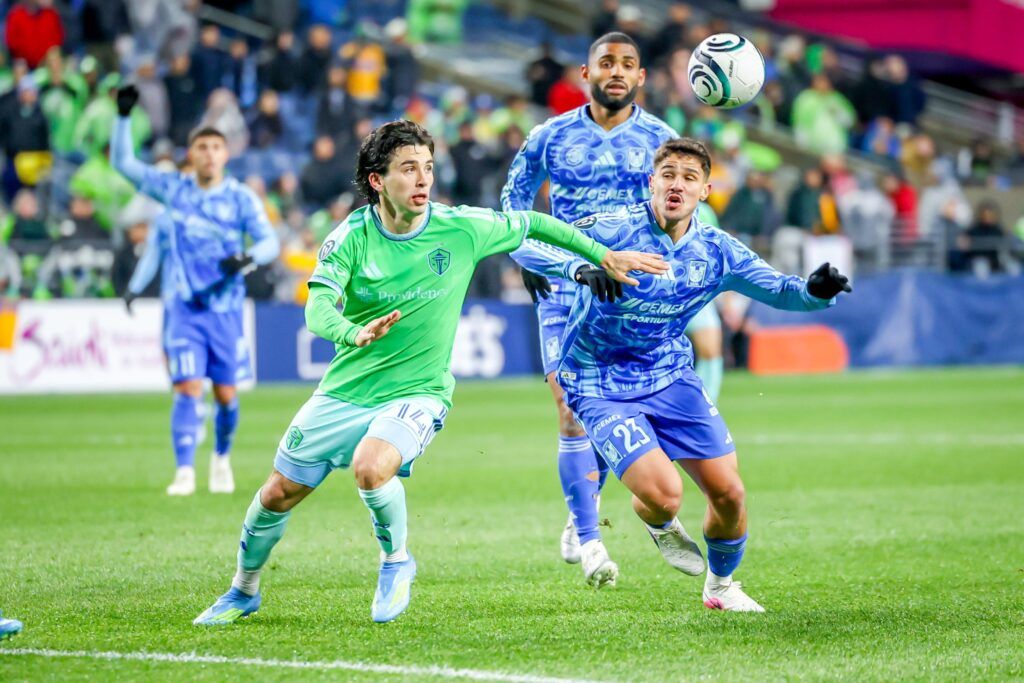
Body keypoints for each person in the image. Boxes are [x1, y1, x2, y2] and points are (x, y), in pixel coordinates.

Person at [192, 119, 668, 626]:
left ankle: (396, 561)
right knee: (276, 494)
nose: (423, 179)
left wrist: (600, 256)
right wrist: (352, 332)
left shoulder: (460, 227)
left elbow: (534, 223)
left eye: (428, 167)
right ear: (377, 180)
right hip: (346, 390)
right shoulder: (351, 236)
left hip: (420, 392)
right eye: (408, 169)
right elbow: (318, 308)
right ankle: (243, 589)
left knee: (371, 467)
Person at [549, 138, 851, 611]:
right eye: (668, 174)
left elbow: (781, 290)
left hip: (670, 376)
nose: (677, 184)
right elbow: (530, 242)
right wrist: (581, 266)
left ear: (705, 191)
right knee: (666, 496)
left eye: (689, 177)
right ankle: (658, 521)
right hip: (598, 381)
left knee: (730, 493)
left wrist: (816, 292)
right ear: (651, 182)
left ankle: (721, 587)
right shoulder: (611, 228)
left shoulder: (717, 250)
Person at [501, 32, 685, 586]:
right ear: (586, 73)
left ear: (641, 77)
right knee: (568, 405)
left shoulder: (661, 140)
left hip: (630, 290)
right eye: (607, 62)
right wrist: (528, 254)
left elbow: (680, 215)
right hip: (566, 283)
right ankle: (589, 539)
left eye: (628, 64)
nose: (617, 72)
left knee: (613, 405)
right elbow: (512, 206)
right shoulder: (550, 136)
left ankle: (585, 498)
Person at [112, 85, 280, 497]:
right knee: (187, 387)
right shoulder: (174, 189)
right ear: (191, 153)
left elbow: (270, 243)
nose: (208, 154)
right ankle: (184, 470)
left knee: (225, 395)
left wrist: (247, 257)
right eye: (201, 147)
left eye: (215, 147)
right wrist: (122, 117)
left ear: (226, 154)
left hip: (225, 309)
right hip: (184, 307)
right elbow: (123, 163)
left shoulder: (240, 198)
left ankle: (221, 458)